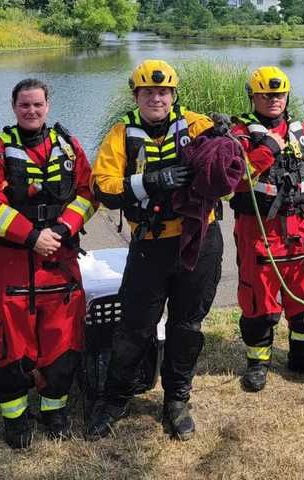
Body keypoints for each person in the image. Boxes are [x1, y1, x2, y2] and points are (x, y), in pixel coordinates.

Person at [87, 59, 223, 441]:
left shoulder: (197, 125)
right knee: (135, 327)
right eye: (148, 92)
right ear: (136, 96)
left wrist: (229, 136)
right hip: (150, 244)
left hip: (198, 241)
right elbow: (106, 188)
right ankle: (115, 398)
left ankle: (177, 399)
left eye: (163, 92)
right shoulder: (120, 134)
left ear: (173, 95)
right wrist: (150, 181)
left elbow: (230, 161)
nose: (156, 98)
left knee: (187, 325)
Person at [0, 79, 96, 449]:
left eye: (38, 104)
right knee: (12, 345)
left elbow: (89, 192)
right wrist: (31, 235)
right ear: (13, 106)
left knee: (62, 341)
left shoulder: (68, 146)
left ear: (48, 105)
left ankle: (54, 410)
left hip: (61, 257)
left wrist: (64, 226)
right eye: (25, 105)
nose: (32, 111)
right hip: (15, 263)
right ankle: (15, 419)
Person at [229, 66, 304, 393]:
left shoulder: (302, 132)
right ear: (253, 96)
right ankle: (258, 363)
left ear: (287, 95)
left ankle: (301, 358)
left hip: (300, 230)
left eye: (279, 94)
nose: (273, 99)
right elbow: (235, 177)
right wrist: (269, 149)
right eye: (266, 94)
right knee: (258, 302)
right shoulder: (239, 134)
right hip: (259, 231)